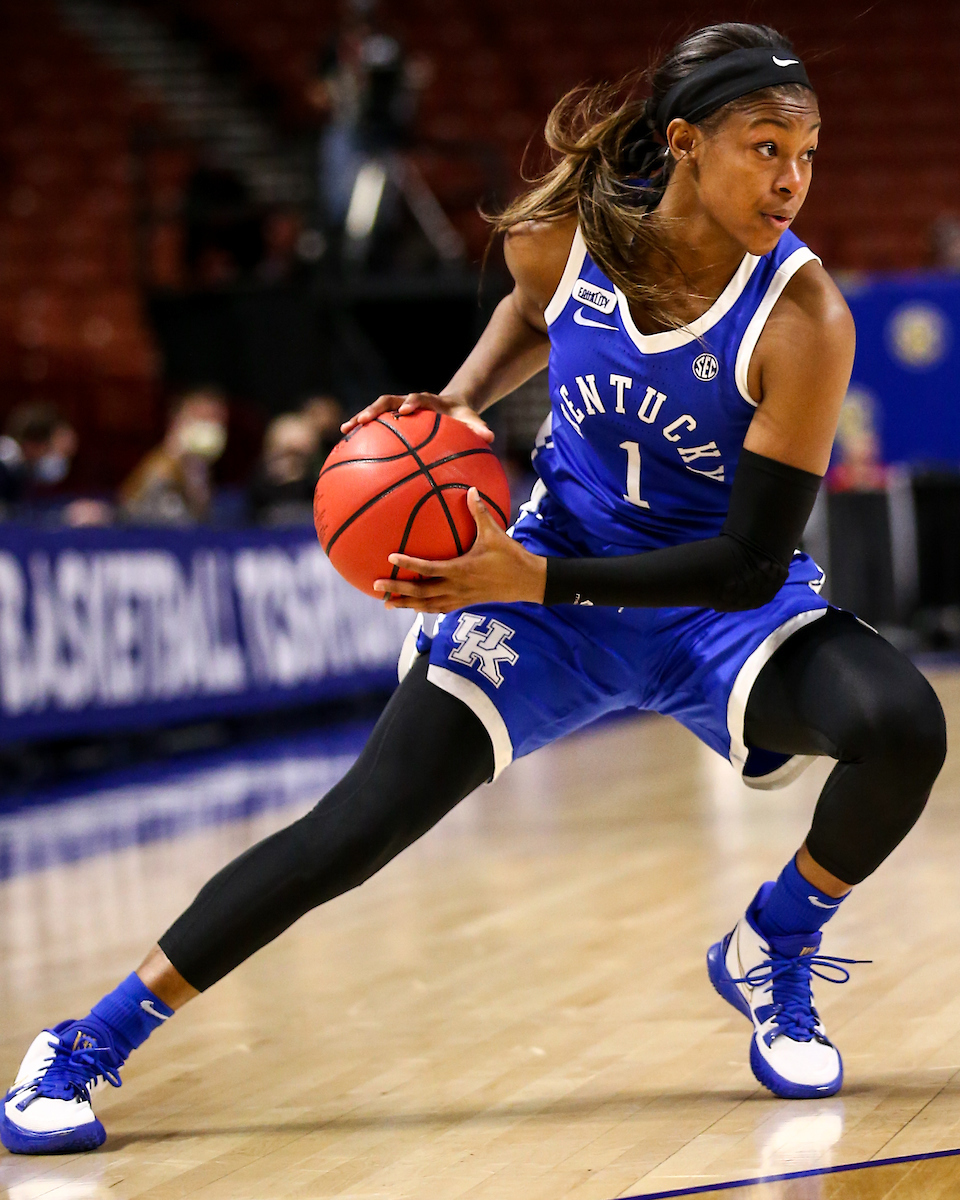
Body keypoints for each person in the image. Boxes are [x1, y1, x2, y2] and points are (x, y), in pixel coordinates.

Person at [2, 23, 947, 1155]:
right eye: (764, 146)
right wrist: (456, 402)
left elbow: (747, 563)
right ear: (687, 144)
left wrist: (531, 573)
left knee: (900, 725)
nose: (791, 179)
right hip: (545, 601)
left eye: (808, 151)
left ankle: (774, 946)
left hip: (707, 607)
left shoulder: (804, 318)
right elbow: (528, 312)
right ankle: (83, 1042)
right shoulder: (564, 242)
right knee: (352, 829)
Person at [119, 388, 228, 526]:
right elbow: (130, 508)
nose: (212, 427)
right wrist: (173, 453)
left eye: (217, 420)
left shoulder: (203, 470)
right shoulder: (160, 463)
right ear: (178, 422)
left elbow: (201, 517)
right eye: (202, 418)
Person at [247, 411, 319, 525]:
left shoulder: (318, 490)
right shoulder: (255, 493)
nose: (289, 464)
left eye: (297, 456)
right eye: (284, 454)